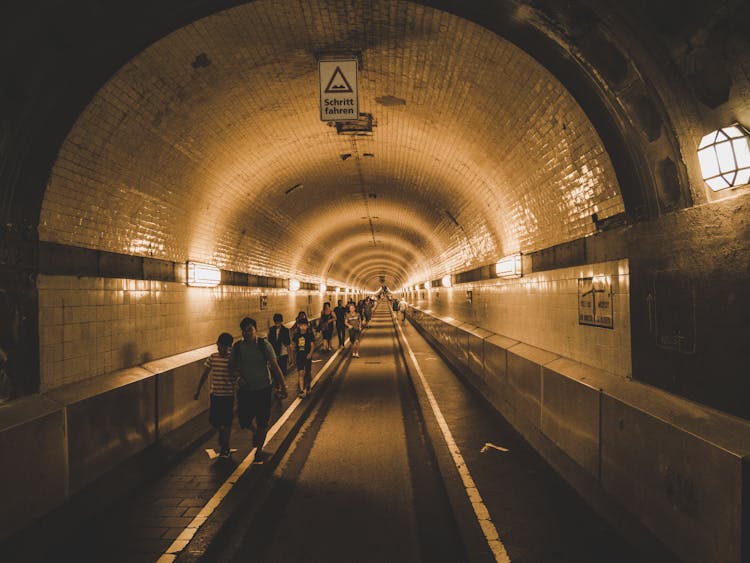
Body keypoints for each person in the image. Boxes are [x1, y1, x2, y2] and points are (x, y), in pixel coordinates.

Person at [231, 317, 287, 464]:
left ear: (256, 330)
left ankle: (259, 451)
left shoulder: (263, 345)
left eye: (250, 329)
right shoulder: (237, 347)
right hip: (246, 390)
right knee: (243, 419)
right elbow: (231, 368)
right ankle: (256, 432)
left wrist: (283, 386)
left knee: (263, 421)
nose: (247, 332)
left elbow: (275, 366)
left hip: (263, 388)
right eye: (244, 330)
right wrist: (238, 378)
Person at [194, 332, 235, 458]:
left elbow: (237, 374)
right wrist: (198, 390)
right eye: (220, 346)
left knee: (227, 422)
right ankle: (222, 436)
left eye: (224, 346)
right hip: (216, 395)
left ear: (229, 347)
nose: (221, 349)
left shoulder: (232, 359)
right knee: (215, 421)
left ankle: (225, 447)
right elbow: (205, 374)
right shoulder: (213, 357)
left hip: (228, 395)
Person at [291, 317, 315, 397]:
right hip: (299, 356)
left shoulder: (309, 334)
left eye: (305, 325)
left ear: (307, 326)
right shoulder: (296, 335)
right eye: (301, 325)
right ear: (298, 326)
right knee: (301, 372)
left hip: (307, 355)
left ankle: (308, 386)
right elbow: (293, 346)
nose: (303, 327)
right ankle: (301, 390)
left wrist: (310, 354)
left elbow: (312, 345)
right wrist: (293, 357)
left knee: (307, 372)